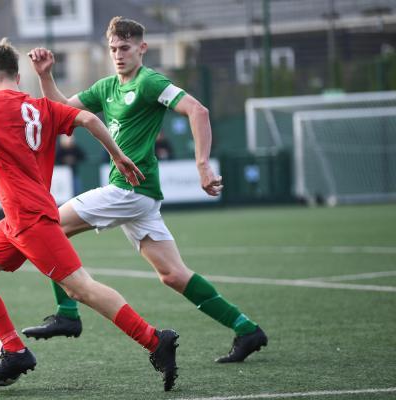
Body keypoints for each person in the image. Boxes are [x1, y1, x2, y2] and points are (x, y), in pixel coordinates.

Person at [0, 39, 179, 391]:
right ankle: (15, 350)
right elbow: (90, 119)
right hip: (18, 221)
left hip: (29, 220)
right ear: (17, 76)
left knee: (82, 289)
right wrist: (119, 156)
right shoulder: (42, 107)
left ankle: (156, 341)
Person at [24, 16, 267, 363]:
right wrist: (45, 75)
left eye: (125, 48)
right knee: (172, 275)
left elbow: (198, 111)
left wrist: (202, 164)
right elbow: (60, 110)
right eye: (113, 49)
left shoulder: (150, 82)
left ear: (142, 48)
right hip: (140, 196)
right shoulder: (106, 87)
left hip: (129, 191)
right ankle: (246, 329)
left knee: (47, 226)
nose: (119, 55)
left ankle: (67, 313)